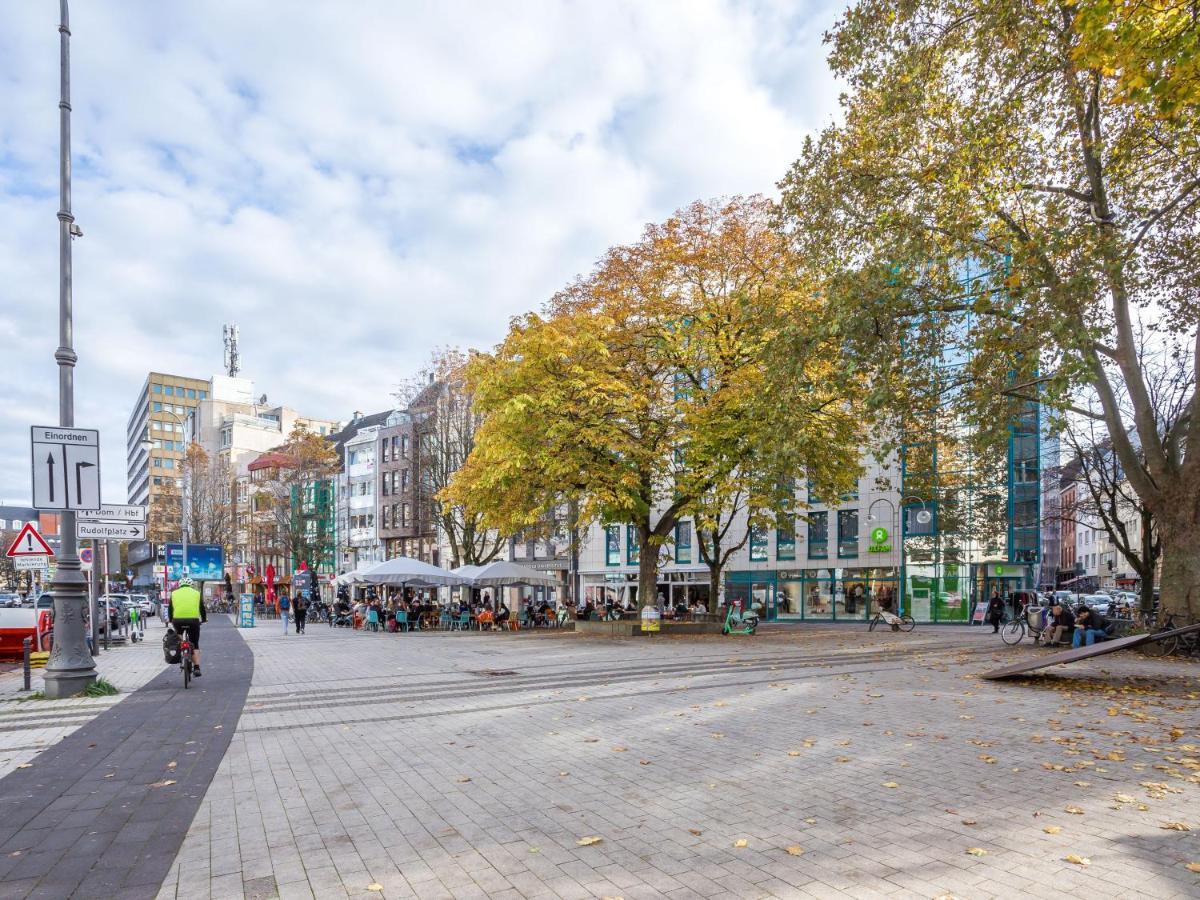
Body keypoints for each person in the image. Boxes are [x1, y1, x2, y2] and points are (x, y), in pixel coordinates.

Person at [168, 576, 208, 677]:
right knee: (195, 643)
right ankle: (197, 667)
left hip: (177, 621)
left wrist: (170, 619)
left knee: (179, 636)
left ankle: (181, 647)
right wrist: (203, 619)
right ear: (191, 585)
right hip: (193, 621)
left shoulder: (173, 593)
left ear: (180, 585)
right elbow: (202, 608)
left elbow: (170, 609)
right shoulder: (196, 593)